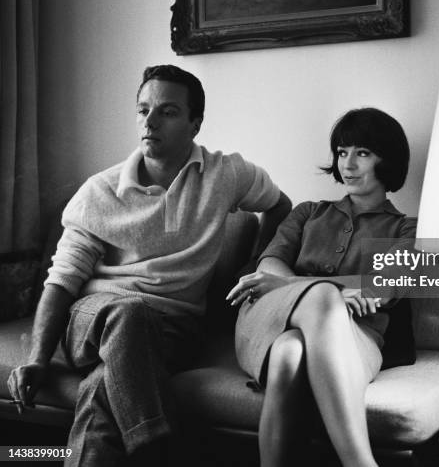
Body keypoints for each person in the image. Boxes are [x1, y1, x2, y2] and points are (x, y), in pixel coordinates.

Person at [7, 65, 291, 466]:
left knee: (101, 391)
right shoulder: (100, 192)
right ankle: (156, 447)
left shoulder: (225, 173)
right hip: (94, 320)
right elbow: (61, 281)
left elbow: (280, 206)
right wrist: (37, 358)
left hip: (173, 331)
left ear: (195, 124)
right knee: (129, 310)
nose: (150, 122)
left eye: (168, 112)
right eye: (143, 110)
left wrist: (254, 263)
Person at [227, 108, 416, 467]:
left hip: (357, 337)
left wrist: (312, 289)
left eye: (363, 153)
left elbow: (385, 287)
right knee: (317, 305)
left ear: (387, 159)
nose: (348, 163)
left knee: (289, 353)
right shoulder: (307, 212)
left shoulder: (407, 230)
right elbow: (269, 266)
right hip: (274, 320)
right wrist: (330, 292)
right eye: (343, 152)